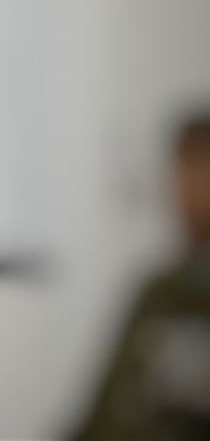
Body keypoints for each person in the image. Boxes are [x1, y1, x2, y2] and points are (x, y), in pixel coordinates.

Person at [71, 112, 210, 440]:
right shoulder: (160, 288)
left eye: (201, 166)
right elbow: (101, 409)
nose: (187, 186)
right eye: (182, 166)